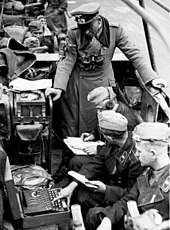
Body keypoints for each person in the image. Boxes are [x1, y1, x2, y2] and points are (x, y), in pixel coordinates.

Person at [45, 2, 166, 138]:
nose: (86, 32)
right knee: (72, 123)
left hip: (103, 82)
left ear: (98, 20)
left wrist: (152, 78)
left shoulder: (115, 31)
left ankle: (101, 148)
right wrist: (58, 87)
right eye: (82, 28)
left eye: (89, 27)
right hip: (78, 84)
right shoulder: (74, 33)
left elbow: (135, 54)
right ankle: (72, 150)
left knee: (103, 117)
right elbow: (66, 61)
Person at [57, 110, 145, 218]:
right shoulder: (117, 139)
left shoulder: (136, 159)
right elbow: (95, 163)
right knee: (76, 173)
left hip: (119, 192)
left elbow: (133, 193)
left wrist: (105, 189)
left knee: (84, 197)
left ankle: (87, 220)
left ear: (109, 137)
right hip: (111, 178)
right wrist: (72, 185)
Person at [85, 122, 170, 230]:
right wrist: (108, 219)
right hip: (132, 222)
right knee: (94, 215)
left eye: (139, 151)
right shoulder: (148, 172)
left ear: (153, 154)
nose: (137, 154)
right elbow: (129, 199)